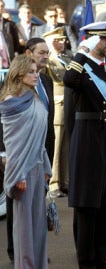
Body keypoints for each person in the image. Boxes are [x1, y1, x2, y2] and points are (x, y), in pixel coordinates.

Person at [63, 22, 106, 268]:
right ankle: (86, 262)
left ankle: (100, 258)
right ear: (91, 40)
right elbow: (69, 79)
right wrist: (82, 52)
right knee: (87, 203)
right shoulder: (81, 65)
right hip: (87, 138)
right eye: (104, 39)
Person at [0, 54, 52, 269]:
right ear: (19, 74)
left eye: (36, 71)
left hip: (38, 167)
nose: (35, 75)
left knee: (38, 225)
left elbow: (40, 137)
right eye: (30, 72)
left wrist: (47, 166)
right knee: (24, 229)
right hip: (22, 170)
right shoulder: (11, 103)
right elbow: (13, 144)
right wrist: (18, 174)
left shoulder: (34, 97)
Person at [43, 28, 72, 198]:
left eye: (62, 40)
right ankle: (54, 184)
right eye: (56, 40)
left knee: (66, 147)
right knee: (56, 145)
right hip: (57, 105)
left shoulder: (68, 58)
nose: (60, 43)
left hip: (68, 105)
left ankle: (65, 182)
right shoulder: (49, 62)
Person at [0, 0, 22, 68]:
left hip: (7, 64)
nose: (0, 8)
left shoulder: (10, 25)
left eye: (2, 6)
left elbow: (16, 45)